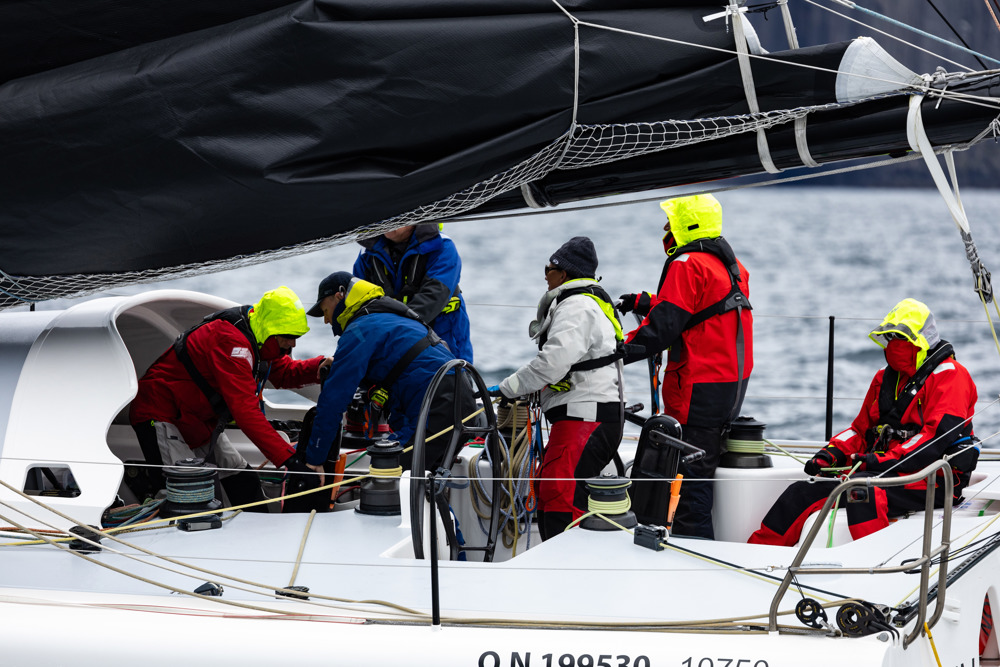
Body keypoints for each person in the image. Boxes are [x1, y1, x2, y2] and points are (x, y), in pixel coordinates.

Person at [749, 298, 980, 546]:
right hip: (883, 470)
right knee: (801, 491)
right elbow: (860, 431)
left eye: (899, 338)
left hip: (934, 478)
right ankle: (756, 556)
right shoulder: (884, 378)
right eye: (889, 338)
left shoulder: (952, 376)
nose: (892, 345)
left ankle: (878, 573)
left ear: (919, 341)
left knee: (863, 493)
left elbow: (934, 439)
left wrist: (879, 461)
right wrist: (832, 453)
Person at [618, 193, 753, 539]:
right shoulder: (729, 265)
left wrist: (614, 353)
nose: (665, 227)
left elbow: (664, 327)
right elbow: (698, 308)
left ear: (686, 224)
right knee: (699, 469)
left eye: (671, 220)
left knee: (690, 478)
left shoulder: (687, 264)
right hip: (729, 388)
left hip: (697, 388)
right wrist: (645, 302)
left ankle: (693, 552)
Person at [130, 286, 331, 509]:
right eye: (289, 337)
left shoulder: (260, 337)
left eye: (296, 337)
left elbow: (284, 374)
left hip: (197, 422)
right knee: (185, 497)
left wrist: (319, 367)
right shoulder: (231, 342)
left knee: (244, 482)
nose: (293, 344)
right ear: (271, 329)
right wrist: (290, 462)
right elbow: (246, 413)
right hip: (162, 415)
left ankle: (260, 537)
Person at [489, 237, 624, 540]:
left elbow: (552, 363)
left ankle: (564, 570)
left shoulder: (576, 306)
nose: (545, 275)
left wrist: (507, 388)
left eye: (548, 269)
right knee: (555, 489)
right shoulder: (584, 303)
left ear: (564, 274)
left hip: (586, 418)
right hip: (587, 416)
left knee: (559, 492)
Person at [303, 271, 476, 474]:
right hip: (462, 397)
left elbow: (334, 399)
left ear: (340, 296)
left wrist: (315, 459)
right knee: (423, 482)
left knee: (390, 476)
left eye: (325, 310)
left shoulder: (359, 331)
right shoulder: (389, 316)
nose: (326, 320)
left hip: (438, 405)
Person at [353, 222, 473, 363]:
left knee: (451, 383)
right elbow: (359, 306)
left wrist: (391, 334)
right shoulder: (367, 255)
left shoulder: (443, 247)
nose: (386, 220)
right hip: (390, 348)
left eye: (394, 215)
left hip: (443, 345)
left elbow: (433, 297)